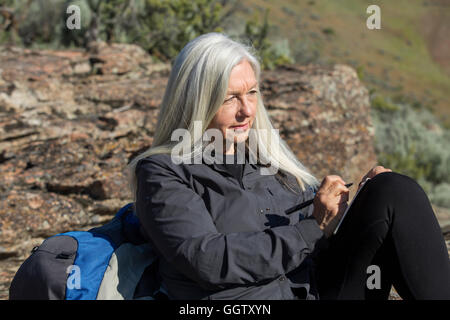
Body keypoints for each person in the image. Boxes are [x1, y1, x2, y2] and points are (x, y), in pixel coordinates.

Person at [127, 32, 450, 300]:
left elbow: (316, 240)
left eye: (252, 93)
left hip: (317, 290)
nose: (247, 110)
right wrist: (313, 227)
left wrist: (356, 204)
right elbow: (205, 259)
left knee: (392, 190)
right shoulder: (163, 170)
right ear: (196, 101)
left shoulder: (265, 156)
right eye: (229, 98)